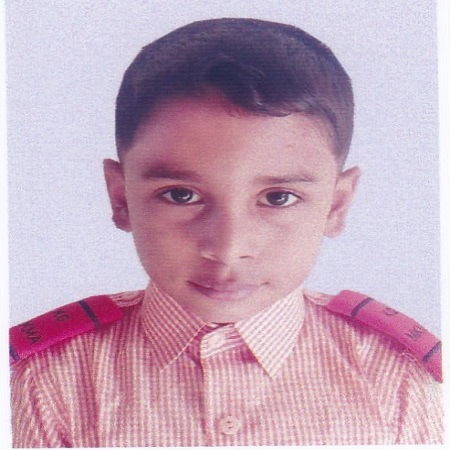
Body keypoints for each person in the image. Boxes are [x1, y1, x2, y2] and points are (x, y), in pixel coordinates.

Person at [9, 18, 443, 447]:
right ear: (121, 198)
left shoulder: (398, 380)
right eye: (181, 195)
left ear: (336, 205)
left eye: (278, 198)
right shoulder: (44, 383)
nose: (228, 247)